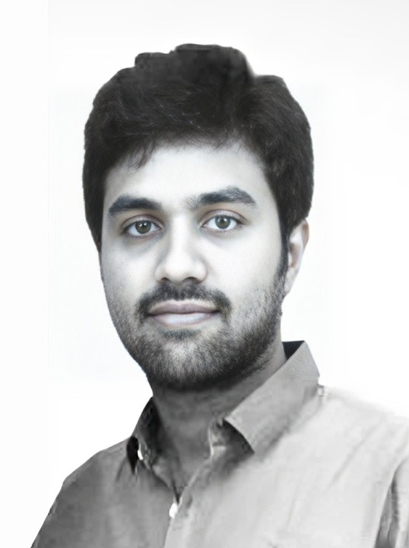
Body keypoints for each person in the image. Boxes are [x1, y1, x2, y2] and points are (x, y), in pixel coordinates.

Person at [33, 44, 409, 548]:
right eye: (141, 226)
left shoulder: (391, 481)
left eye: (222, 221)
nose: (177, 265)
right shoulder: (80, 507)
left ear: (291, 254)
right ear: (101, 257)